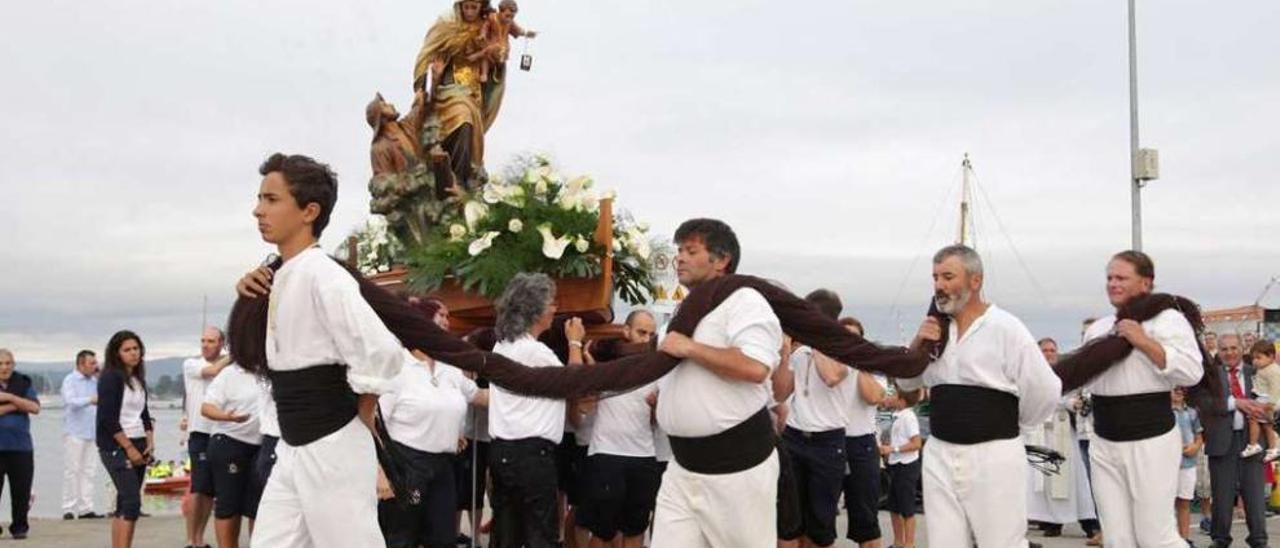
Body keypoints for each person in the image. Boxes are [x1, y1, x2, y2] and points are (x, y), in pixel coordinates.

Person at [241, 153, 408, 547]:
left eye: (271, 199)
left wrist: (361, 418)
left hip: (333, 444)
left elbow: (382, 350)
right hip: (294, 445)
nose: (257, 210)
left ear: (308, 211)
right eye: (260, 198)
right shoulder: (283, 275)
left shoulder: (325, 275)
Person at [894, 244, 1061, 547]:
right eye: (935, 278)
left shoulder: (1006, 328)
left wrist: (1011, 426)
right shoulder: (935, 332)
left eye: (948, 276)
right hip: (940, 453)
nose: (939, 286)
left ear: (975, 281)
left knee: (1001, 542)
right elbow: (907, 386)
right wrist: (918, 343)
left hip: (993, 454)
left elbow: (1045, 390)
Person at [1080, 251, 1208, 547]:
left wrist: (1143, 341)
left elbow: (1191, 371)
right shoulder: (1098, 329)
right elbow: (1082, 380)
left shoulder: (1168, 321)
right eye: (1109, 277)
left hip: (1150, 440)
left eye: (1121, 277)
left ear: (1146, 283)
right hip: (1104, 440)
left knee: (1156, 536)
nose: (1112, 283)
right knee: (1116, 538)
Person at [487, 273, 585, 548]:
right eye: (552, 302)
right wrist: (575, 342)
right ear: (535, 309)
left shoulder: (501, 345)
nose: (555, 309)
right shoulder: (534, 352)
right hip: (531, 456)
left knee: (506, 537)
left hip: (503, 452)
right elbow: (574, 383)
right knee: (540, 536)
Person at [376, 311, 488, 548]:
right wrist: (381, 473)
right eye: (438, 323)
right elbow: (375, 423)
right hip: (407, 468)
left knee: (443, 538)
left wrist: (533, 386)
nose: (444, 326)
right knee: (403, 536)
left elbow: (479, 396)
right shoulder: (397, 367)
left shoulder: (450, 369)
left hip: (444, 466)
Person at [775, 289, 850, 548]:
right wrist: (785, 353)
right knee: (788, 520)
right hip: (794, 437)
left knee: (820, 524)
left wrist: (818, 339)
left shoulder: (844, 348)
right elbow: (780, 392)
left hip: (827, 443)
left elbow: (831, 377)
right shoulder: (799, 352)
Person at [582, 310, 660, 548]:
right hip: (607, 455)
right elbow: (585, 406)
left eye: (651, 334)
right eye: (641, 332)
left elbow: (656, 422)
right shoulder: (606, 364)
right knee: (602, 530)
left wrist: (657, 408)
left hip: (644, 456)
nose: (646, 339)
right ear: (626, 331)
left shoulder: (656, 370)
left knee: (636, 529)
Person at [1026, 338, 1100, 545]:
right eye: (1045, 350)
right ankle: (1052, 521)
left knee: (1074, 478)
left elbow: (1074, 395)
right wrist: (1066, 402)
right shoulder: (1032, 373)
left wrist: (1074, 402)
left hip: (1064, 430)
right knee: (1047, 480)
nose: (1049, 353)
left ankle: (1087, 520)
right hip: (1041, 431)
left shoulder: (1066, 373)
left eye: (1052, 350)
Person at [1205, 333, 1269, 548]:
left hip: (1252, 440)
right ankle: (1220, 539)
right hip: (1222, 441)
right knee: (1222, 497)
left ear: (1242, 349)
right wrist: (1235, 403)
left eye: (1233, 348)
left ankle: (1259, 539)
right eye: (1224, 349)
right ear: (1219, 352)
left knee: (1255, 495)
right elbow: (1205, 403)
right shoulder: (1210, 376)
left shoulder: (1258, 372)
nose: (1229, 353)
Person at [96, 331, 155, 548]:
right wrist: (128, 447)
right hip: (117, 445)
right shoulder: (111, 377)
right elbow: (107, 419)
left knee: (124, 502)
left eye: (136, 348)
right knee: (132, 502)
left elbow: (144, 412)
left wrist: (150, 439)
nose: (133, 353)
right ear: (117, 353)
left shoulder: (137, 379)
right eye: (127, 350)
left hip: (139, 440)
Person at [837, 317, 888, 548]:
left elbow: (874, 397)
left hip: (861, 445)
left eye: (854, 338)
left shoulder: (871, 370)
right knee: (819, 516)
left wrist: (856, 364)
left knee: (866, 520)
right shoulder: (827, 366)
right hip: (829, 441)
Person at [201, 362, 264, 548]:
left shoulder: (270, 371)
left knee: (259, 508)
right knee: (229, 506)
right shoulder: (229, 374)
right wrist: (227, 417)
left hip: (262, 444)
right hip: (230, 440)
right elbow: (206, 408)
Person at [182, 326, 231, 548]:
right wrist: (233, 355)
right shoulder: (192, 364)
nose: (205, 345)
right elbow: (211, 371)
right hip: (200, 432)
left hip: (220, 433)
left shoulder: (228, 367)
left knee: (210, 491)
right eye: (203, 341)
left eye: (211, 341)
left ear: (221, 343)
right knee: (198, 488)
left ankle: (200, 538)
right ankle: (191, 540)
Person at [0, 349, 40, 540]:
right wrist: (19, 404)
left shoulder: (24, 382)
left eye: (8, 363)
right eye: (0, 364)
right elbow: (27, 405)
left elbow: (34, 407)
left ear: (13, 365)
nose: (4, 367)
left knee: (21, 491)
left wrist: (10, 398)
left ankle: (19, 527)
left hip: (21, 447)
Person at [62, 349, 105, 520]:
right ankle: (69, 507)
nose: (95, 366)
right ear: (81, 364)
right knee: (72, 470)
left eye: (96, 363)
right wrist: (90, 400)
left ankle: (86, 507)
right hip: (75, 431)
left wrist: (101, 376)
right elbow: (70, 401)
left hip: (92, 432)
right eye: (91, 363)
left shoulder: (95, 381)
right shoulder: (70, 380)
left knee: (89, 470)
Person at [479, 0, 536, 129]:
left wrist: (527, 33)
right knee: (485, 58)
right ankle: (483, 73)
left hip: (502, 53)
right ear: (501, 11)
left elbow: (518, 30)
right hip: (491, 48)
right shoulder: (492, 18)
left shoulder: (509, 23)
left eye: (512, 16)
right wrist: (482, 35)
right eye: (507, 15)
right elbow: (485, 27)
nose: (509, 18)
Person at [879, 394, 921, 548]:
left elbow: (916, 443)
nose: (889, 398)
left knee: (907, 507)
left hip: (906, 465)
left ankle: (909, 544)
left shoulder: (908, 417)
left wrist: (893, 449)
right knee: (894, 506)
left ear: (902, 400)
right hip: (895, 464)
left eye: (893, 395)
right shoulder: (896, 416)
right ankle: (898, 543)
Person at [1172, 387, 1204, 545]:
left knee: (1184, 502)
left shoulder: (1192, 412)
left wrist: (1196, 447)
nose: (1178, 392)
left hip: (1187, 463)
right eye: (1174, 389)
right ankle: (1168, 539)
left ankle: (1184, 538)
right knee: (1166, 503)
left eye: (1181, 389)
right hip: (1167, 465)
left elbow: (1199, 435)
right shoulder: (1162, 412)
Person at [1242, 339, 1280, 461]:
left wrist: (1271, 404)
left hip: (1267, 400)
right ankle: (1273, 449)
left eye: (1258, 358)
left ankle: (1253, 444)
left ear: (1271, 356)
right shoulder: (1264, 368)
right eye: (1254, 358)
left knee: (1253, 418)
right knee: (1267, 426)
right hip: (1264, 398)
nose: (1255, 361)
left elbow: (1276, 388)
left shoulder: (1273, 370)